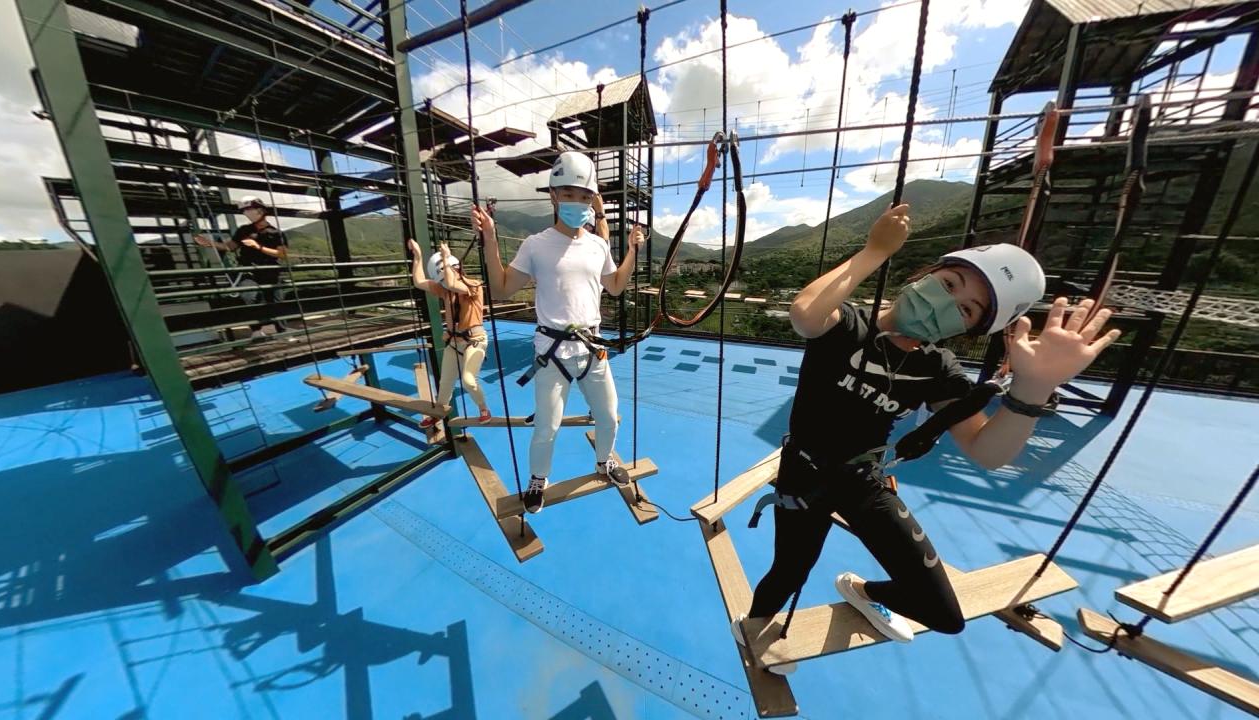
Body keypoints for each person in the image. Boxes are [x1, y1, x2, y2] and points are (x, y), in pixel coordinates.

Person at [736, 203, 1120, 674]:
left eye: (965, 309)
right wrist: (875, 250)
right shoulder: (847, 327)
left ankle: (863, 591)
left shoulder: (937, 370)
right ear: (925, 274)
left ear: (969, 329)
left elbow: (988, 452)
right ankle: (754, 625)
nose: (947, 303)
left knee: (942, 613)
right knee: (790, 570)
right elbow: (805, 314)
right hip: (806, 472)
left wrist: (1032, 391)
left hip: (863, 479)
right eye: (949, 284)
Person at [478, 151, 645, 514]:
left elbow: (615, 286)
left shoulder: (598, 245)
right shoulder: (536, 245)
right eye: (570, 194)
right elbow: (503, 287)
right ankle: (538, 479)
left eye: (585, 196)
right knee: (547, 427)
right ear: (554, 196)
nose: (578, 202)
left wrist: (632, 250)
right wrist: (490, 239)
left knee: (609, 415)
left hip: (593, 348)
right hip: (552, 353)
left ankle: (605, 462)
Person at [407, 237, 491, 425]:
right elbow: (419, 281)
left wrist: (445, 258)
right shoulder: (446, 290)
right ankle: (438, 413)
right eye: (441, 281)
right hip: (454, 343)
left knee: (469, 380)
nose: (444, 283)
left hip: (475, 340)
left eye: (445, 278)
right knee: (445, 384)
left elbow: (454, 284)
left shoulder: (474, 286)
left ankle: (484, 408)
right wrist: (418, 255)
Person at [194, 196, 289, 340]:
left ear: (260, 210)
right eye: (245, 211)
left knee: (275, 299)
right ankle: (257, 331)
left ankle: (282, 329)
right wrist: (210, 243)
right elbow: (230, 247)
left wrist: (258, 247)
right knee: (249, 296)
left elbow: (281, 254)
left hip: (270, 270)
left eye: (250, 209)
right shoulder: (244, 230)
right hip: (248, 269)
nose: (247, 213)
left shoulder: (276, 233)